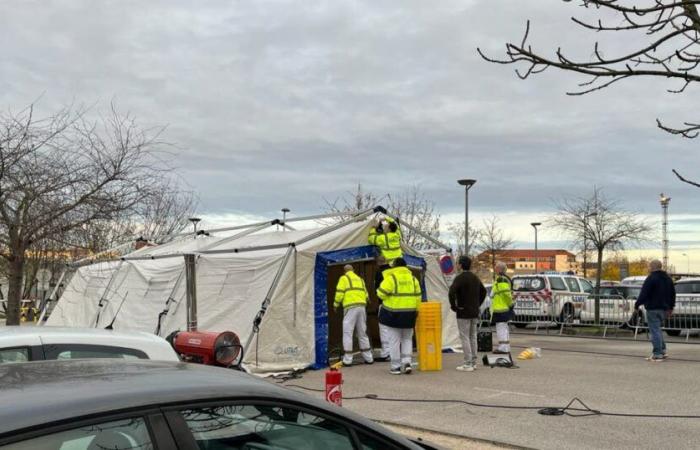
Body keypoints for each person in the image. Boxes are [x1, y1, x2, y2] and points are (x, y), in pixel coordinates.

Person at [376, 257, 421, 375]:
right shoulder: (413, 279)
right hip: (410, 313)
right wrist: (416, 310)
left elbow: (380, 294)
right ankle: (407, 363)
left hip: (393, 314)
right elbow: (418, 297)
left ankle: (395, 366)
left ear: (394, 266)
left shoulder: (391, 278)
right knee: (407, 339)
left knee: (394, 341)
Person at [449, 256, 487, 372]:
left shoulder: (459, 278)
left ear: (460, 265)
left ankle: (467, 362)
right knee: (473, 336)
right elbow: (484, 291)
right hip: (474, 311)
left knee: (464, 337)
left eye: (458, 263)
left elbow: (451, 292)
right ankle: (474, 362)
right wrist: (478, 304)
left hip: (463, 311)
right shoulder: (475, 277)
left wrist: (454, 306)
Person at [634, 259, 675, 362]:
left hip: (653, 308)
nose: (649, 268)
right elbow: (673, 294)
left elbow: (644, 293)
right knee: (658, 330)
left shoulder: (651, 278)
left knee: (655, 330)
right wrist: (671, 307)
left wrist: (637, 304)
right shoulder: (668, 278)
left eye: (650, 266)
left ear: (653, 267)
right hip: (664, 309)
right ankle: (663, 350)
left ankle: (657, 354)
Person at [334, 264, 374, 366]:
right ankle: (368, 358)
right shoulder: (360, 279)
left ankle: (348, 360)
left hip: (350, 307)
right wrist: (367, 299)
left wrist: (335, 304)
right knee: (362, 332)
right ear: (353, 270)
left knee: (348, 332)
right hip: (361, 307)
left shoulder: (344, 278)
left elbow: (340, 293)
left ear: (344, 271)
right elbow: (366, 293)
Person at [490, 261, 513, 354]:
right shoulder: (502, 279)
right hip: (502, 308)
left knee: (501, 329)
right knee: (503, 328)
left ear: (500, 269)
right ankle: (505, 347)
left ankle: (503, 348)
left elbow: (506, 294)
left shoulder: (501, 280)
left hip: (501, 309)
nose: (494, 268)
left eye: (496, 267)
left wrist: (510, 304)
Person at [374, 255, 392, 362]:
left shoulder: (379, 272)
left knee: (384, 328)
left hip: (385, 303)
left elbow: (377, 290)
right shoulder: (393, 271)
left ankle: (386, 353)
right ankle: (394, 352)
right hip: (396, 304)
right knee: (394, 329)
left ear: (378, 263)